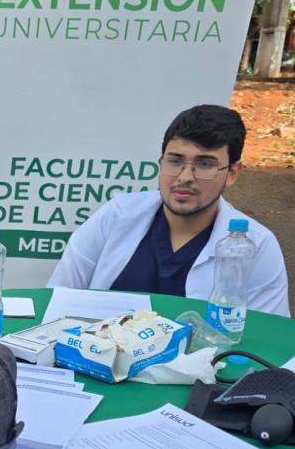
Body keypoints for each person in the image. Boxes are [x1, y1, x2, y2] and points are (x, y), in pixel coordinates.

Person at [48, 104, 289, 316]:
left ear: (232, 173)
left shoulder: (257, 247)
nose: (185, 177)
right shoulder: (117, 215)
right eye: (175, 161)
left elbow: (267, 340)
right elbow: (56, 299)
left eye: (204, 164)